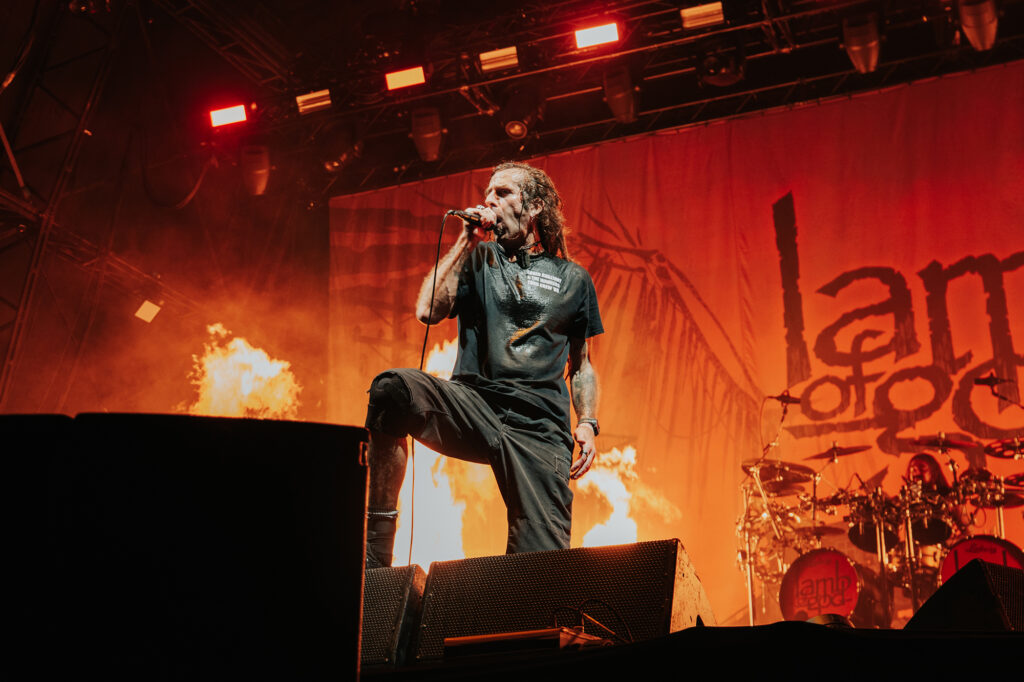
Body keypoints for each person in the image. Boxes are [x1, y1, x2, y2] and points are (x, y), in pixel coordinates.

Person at [362, 162, 604, 568]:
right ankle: (374, 552)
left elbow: (582, 364)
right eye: (488, 191)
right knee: (391, 390)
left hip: (539, 427)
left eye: (503, 192)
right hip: (475, 405)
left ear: (534, 208)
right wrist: (465, 243)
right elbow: (427, 310)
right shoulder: (479, 258)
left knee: (539, 569)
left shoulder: (573, 279)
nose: (489, 199)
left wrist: (588, 421)